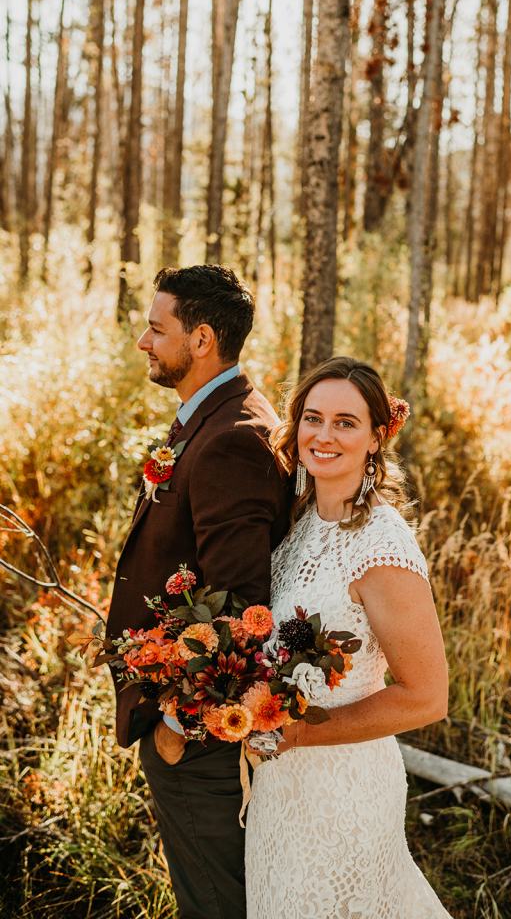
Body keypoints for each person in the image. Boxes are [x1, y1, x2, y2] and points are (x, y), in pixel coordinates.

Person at [106, 264, 289, 919]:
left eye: (157, 329)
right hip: (186, 723)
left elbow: (242, 606)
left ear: (203, 338)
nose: (143, 342)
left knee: (215, 905)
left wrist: (178, 725)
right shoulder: (213, 416)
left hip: (202, 747)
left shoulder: (230, 439)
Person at [245, 356, 451, 919]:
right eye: (313, 417)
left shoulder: (381, 544)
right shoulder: (304, 521)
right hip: (280, 789)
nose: (324, 435)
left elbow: (427, 696)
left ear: (377, 436)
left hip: (344, 791)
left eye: (345, 422)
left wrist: (301, 737)